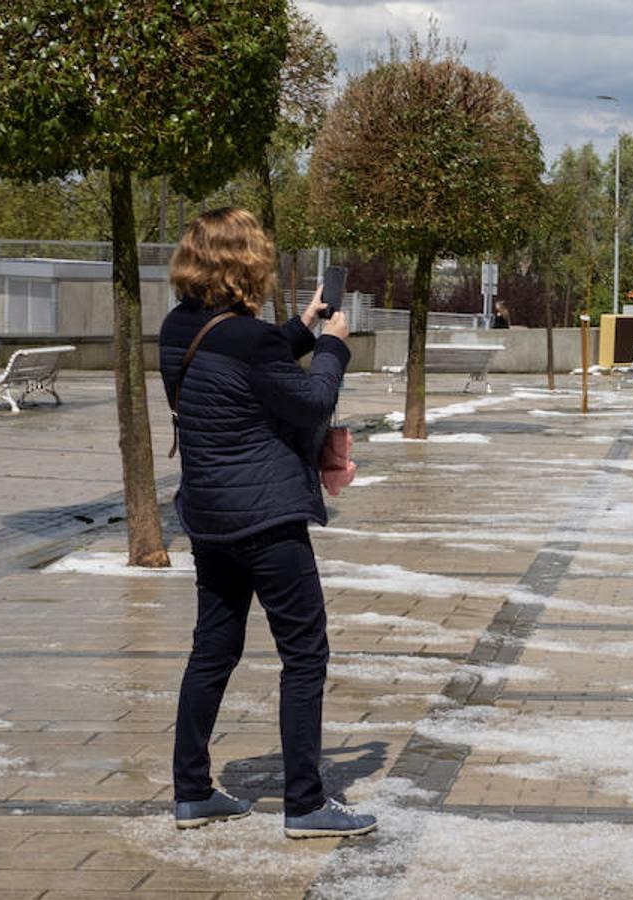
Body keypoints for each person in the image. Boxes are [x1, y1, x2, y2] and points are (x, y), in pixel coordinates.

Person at [160, 208, 377, 839]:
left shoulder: (179, 328)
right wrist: (334, 345)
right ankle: (306, 804)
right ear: (243, 262)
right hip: (268, 518)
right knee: (305, 655)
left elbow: (248, 359)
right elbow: (308, 398)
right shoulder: (247, 339)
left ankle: (192, 791)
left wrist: (306, 324)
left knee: (213, 650)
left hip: (209, 516)